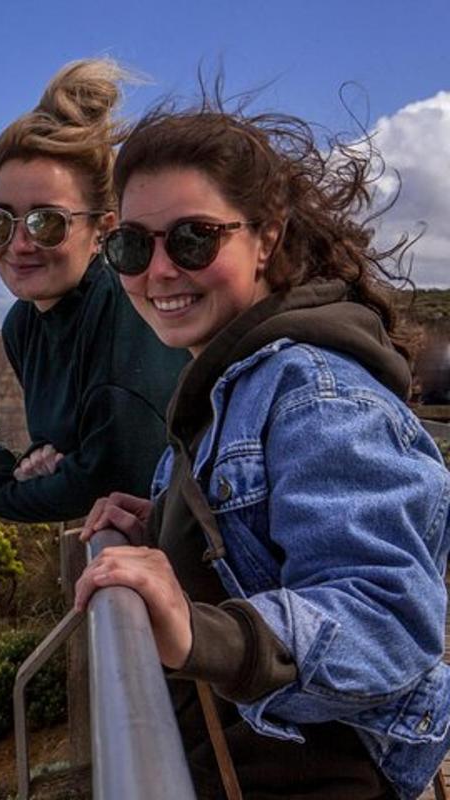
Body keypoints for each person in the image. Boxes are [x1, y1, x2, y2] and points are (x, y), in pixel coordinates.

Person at [76, 97, 450, 799]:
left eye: (193, 239)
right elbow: (259, 546)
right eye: (131, 244)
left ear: (266, 238)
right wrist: (161, 524)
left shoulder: (312, 390)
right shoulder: (232, 380)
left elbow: (388, 618)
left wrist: (198, 632)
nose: (157, 271)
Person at [0, 59, 189, 523]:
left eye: (48, 222)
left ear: (103, 228)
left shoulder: (126, 310)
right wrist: (51, 465)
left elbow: (113, 477)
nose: (19, 244)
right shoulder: (23, 326)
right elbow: (67, 462)